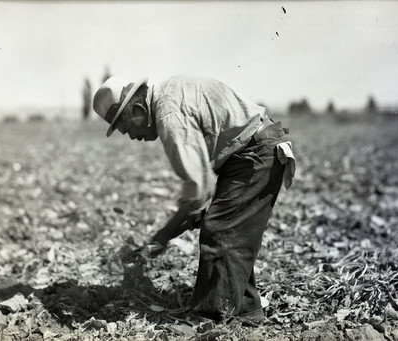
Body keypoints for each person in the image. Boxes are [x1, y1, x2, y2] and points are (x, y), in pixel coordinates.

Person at [92, 74, 296, 323]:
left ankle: (210, 322)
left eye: (127, 128)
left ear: (137, 109)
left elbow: (198, 193)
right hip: (249, 152)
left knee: (221, 230)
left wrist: (163, 236)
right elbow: (200, 192)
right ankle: (245, 312)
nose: (132, 136)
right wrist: (172, 230)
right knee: (231, 232)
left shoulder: (169, 116)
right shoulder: (168, 95)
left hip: (255, 154)